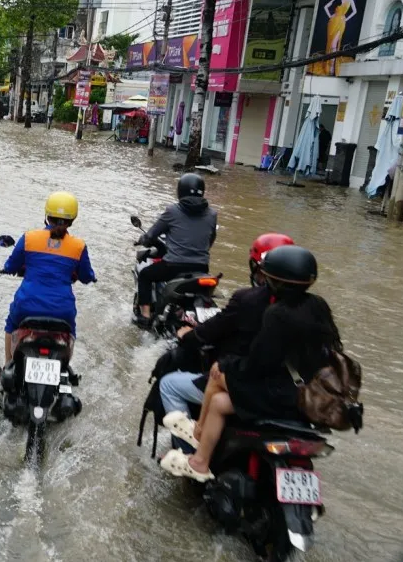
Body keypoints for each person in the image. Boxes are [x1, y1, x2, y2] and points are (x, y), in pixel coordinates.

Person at [159, 246, 343, 481]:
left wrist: (227, 365)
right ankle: (200, 456)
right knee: (218, 400)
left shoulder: (276, 313)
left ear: (272, 279)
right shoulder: (318, 306)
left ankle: (197, 443)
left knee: (217, 373)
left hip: (277, 395)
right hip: (302, 395)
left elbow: (258, 362)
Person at [157, 233, 294, 454]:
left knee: (169, 384)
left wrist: (186, 335)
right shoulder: (312, 308)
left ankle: (188, 452)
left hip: (251, 389)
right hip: (289, 396)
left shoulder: (248, 300)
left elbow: (208, 333)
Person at [0, 192, 96, 364]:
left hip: (26, 306)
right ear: (72, 219)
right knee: (71, 333)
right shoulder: (78, 246)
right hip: (62, 311)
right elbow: (87, 276)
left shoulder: (29, 238)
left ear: (47, 215)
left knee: (10, 325)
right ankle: (64, 369)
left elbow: (11, 266)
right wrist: (91, 277)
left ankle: (8, 364)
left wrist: (6, 269)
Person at [134, 173, 218, 327]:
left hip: (173, 267)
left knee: (145, 275)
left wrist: (143, 240)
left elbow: (152, 234)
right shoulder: (212, 214)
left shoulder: (172, 211)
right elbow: (210, 240)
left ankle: (145, 317)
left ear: (181, 191)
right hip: (202, 268)